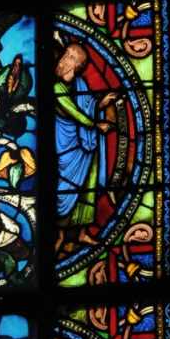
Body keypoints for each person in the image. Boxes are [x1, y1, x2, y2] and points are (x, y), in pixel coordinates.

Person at [54, 41, 115, 241]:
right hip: (66, 144)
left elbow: (87, 105)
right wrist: (96, 125)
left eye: (70, 57)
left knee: (88, 185)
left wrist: (101, 104)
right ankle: (59, 235)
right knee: (65, 186)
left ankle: (82, 233)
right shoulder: (56, 87)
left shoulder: (80, 84)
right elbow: (75, 113)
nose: (64, 59)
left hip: (85, 144)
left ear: (77, 65)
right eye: (66, 54)